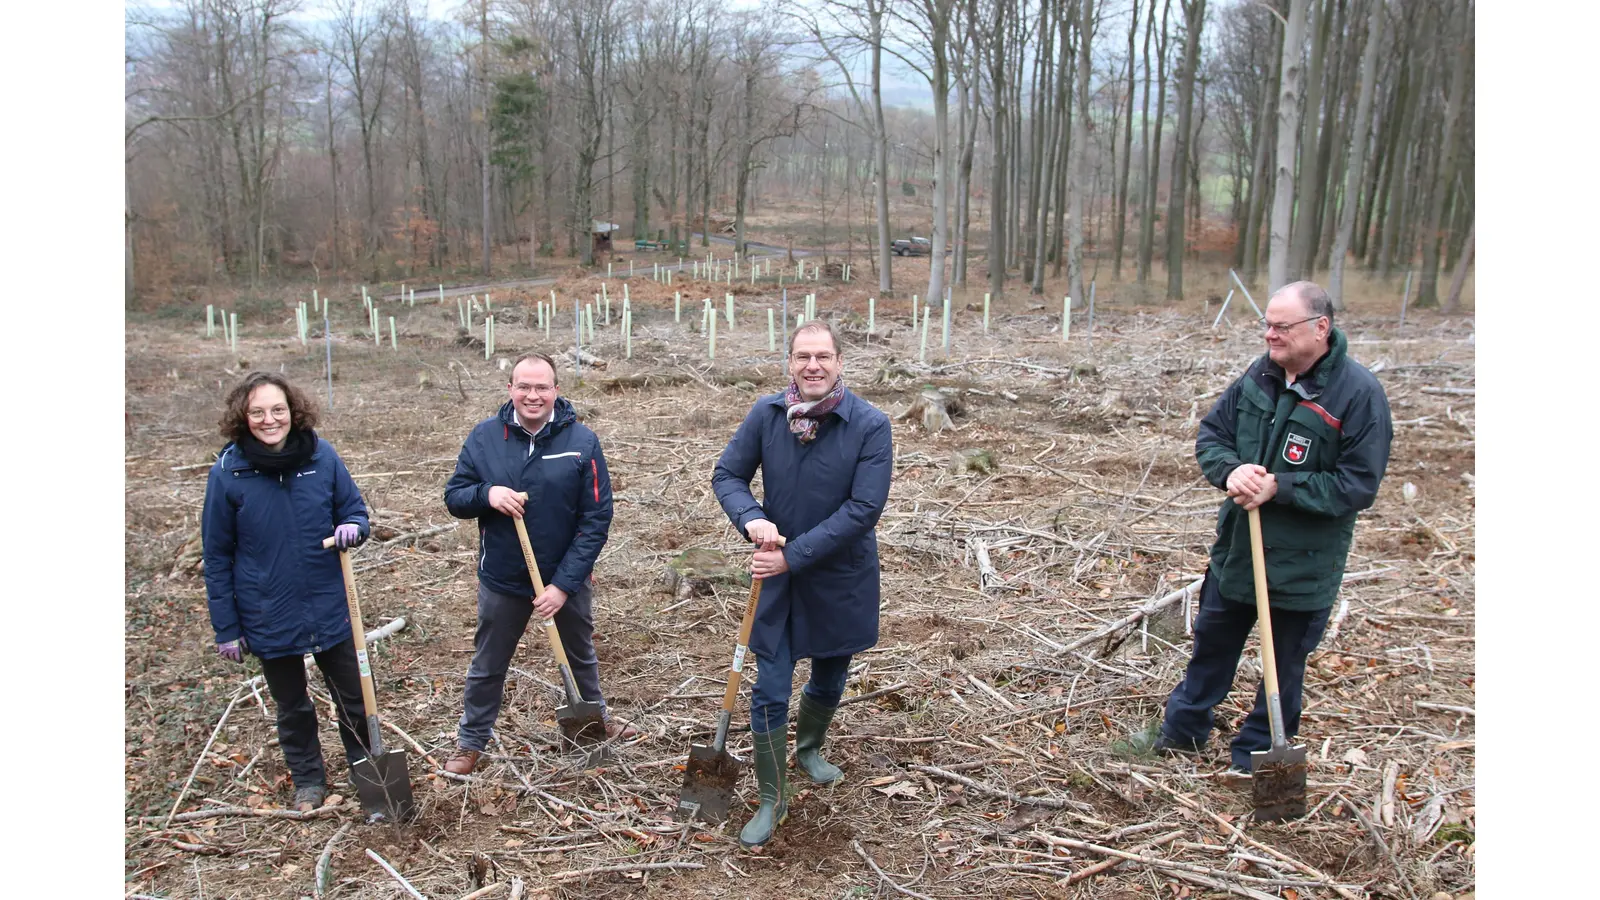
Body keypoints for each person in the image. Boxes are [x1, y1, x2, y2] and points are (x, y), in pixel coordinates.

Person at [1155, 281, 1393, 774]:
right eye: (1267, 324)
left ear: (1320, 328)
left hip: (1303, 568)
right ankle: (1180, 736)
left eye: (1281, 326)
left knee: (1282, 672)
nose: (1270, 335)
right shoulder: (1258, 377)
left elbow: (1357, 485)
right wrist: (1231, 471)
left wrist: (1280, 488)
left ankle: (1257, 758)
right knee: (1210, 649)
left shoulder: (1358, 395)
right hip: (1238, 554)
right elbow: (1213, 435)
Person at [712, 320, 894, 848]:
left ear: (840, 362)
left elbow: (864, 509)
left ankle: (810, 748)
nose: (812, 366)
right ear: (789, 363)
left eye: (823, 356)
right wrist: (750, 518)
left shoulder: (869, 424)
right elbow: (727, 475)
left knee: (831, 671)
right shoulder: (767, 415)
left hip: (840, 576)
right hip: (777, 581)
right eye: (802, 357)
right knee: (769, 686)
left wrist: (793, 556)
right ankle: (773, 796)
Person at [441, 351, 635, 775]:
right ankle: (471, 741)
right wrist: (487, 494)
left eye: (541, 387)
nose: (533, 395)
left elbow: (597, 518)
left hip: (565, 576)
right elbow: (455, 496)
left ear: (556, 391)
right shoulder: (484, 438)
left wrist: (564, 585)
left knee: (579, 654)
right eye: (523, 386)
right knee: (488, 663)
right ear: (510, 389)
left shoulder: (581, 442)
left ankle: (593, 721)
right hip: (503, 577)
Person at [202, 372, 373, 812]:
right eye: (257, 412)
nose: (269, 419)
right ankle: (309, 781)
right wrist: (227, 626)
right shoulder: (229, 472)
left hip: (329, 602)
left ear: (292, 411)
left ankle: (366, 768)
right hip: (267, 609)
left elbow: (353, 509)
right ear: (243, 416)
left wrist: (353, 526)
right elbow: (217, 555)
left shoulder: (321, 456)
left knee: (352, 697)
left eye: (277, 409)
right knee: (293, 705)